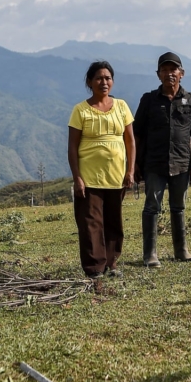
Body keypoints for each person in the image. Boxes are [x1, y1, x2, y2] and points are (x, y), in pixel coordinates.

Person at [133, 52, 191, 267]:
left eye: (173, 70)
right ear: (158, 74)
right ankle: (150, 255)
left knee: (178, 207)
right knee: (152, 207)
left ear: (181, 74)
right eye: (164, 70)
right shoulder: (148, 100)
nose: (169, 74)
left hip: (182, 163)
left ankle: (181, 251)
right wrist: (135, 164)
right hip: (154, 163)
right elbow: (137, 134)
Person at [67, 61, 136, 278]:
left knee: (113, 222)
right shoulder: (80, 110)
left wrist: (130, 170)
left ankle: (111, 263)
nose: (104, 82)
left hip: (116, 175)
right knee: (90, 223)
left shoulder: (122, 106)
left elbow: (131, 141)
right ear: (89, 82)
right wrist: (77, 177)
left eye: (107, 78)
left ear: (112, 81)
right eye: (98, 78)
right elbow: (72, 147)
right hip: (90, 177)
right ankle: (94, 268)